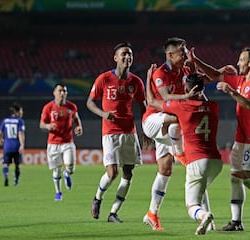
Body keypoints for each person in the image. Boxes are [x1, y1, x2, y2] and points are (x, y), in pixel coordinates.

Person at [188, 46, 250, 231]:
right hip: (240, 137)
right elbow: (215, 74)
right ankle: (236, 222)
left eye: (241, 59)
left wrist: (231, 92)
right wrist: (195, 59)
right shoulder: (240, 80)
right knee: (235, 178)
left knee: (247, 178)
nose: (237, 62)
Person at [146, 66, 223, 235]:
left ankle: (204, 215)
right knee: (201, 188)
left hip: (197, 160)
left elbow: (152, 101)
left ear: (187, 89)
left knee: (191, 205)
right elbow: (201, 97)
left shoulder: (182, 107)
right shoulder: (214, 106)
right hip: (217, 162)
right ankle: (211, 224)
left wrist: (149, 78)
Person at [87, 42, 146, 223]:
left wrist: (147, 130)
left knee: (128, 173)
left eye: (130, 54)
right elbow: (90, 102)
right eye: (124, 54)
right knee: (112, 172)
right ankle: (97, 198)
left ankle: (113, 213)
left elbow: (143, 107)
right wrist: (104, 114)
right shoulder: (104, 79)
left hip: (129, 132)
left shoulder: (136, 82)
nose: (127, 57)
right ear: (115, 58)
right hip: (110, 132)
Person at [141, 37, 195, 230]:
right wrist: (186, 97)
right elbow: (163, 97)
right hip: (153, 120)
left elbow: (200, 80)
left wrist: (220, 74)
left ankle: (152, 214)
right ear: (171, 55)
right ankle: (179, 151)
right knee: (180, 119)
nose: (186, 54)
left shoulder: (185, 70)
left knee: (165, 170)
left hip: (170, 127)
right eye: (183, 51)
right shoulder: (160, 72)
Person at [39, 83, 83, 201]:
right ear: (54, 93)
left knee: (70, 167)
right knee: (57, 170)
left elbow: (76, 119)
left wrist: (79, 127)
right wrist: (48, 126)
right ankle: (58, 192)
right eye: (60, 91)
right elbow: (42, 124)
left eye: (64, 91)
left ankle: (67, 174)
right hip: (53, 144)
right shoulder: (48, 107)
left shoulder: (71, 106)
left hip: (68, 142)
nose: (62, 93)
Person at [0, 102, 25, 187]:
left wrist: (0, 139)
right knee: (17, 165)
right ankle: (16, 181)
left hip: (7, 146)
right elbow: (20, 133)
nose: (21, 113)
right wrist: (22, 144)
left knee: (6, 163)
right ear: (16, 112)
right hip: (16, 145)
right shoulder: (20, 121)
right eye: (21, 111)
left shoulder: (5, 120)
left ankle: (6, 175)